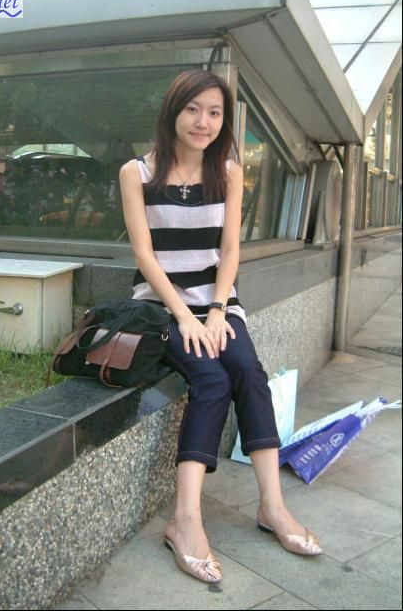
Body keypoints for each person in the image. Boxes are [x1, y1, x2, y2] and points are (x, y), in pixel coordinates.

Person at [119, 69, 322, 585]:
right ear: (173, 111)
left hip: (217, 305)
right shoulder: (137, 173)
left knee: (248, 373)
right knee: (211, 380)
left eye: (214, 112)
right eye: (193, 109)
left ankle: (272, 506)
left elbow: (230, 250)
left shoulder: (228, 171)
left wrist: (215, 310)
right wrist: (185, 316)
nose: (203, 122)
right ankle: (184, 520)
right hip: (163, 307)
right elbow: (145, 256)